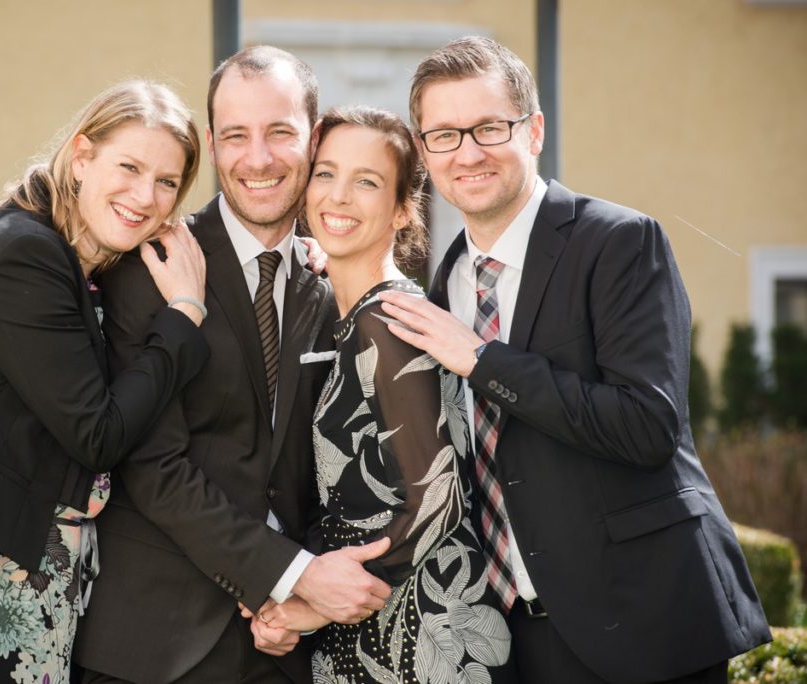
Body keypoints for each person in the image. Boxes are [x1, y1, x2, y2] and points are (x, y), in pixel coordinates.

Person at [377, 36, 771, 684]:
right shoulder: (445, 281)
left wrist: (483, 360)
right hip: (515, 633)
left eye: (488, 128)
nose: (467, 152)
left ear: (532, 131)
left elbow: (648, 426)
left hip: (642, 622)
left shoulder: (618, 242)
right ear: (424, 152)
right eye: (444, 134)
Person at [73, 47, 392, 684]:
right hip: (154, 645)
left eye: (280, 132)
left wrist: (301, 601)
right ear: (213, 145)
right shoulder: (151, 267)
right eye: (236, 136)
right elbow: (152, 468)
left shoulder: (330, 281)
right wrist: (288, 575)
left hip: (289, 644)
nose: (259, 158)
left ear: (314, 137)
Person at [0, 79, 210, 684]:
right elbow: (98, 433)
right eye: (129, 167)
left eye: (167, 182)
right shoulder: (23, 256)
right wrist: (185, 314)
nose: (146, 196)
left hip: (26, 564)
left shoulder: (75, 263)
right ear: (82, 155)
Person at [248, 106, 515, 683]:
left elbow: (434, 496)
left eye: (366, 181)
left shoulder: (389, 323)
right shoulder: (349, 317)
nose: (338, 197)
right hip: (369, 624)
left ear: (400, 211)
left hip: (422, 636)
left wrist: (311, 605)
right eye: (325, 173)